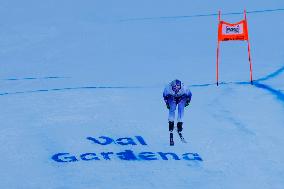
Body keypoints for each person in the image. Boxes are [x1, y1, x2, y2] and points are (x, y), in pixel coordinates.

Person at [163, 79, 192, 145]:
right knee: (172, 108)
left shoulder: (185, 88)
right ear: (171, 86)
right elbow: (165, 96)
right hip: (171, 96)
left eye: (177, 88)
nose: (176, 90)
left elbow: (189, 95)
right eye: (174, 88)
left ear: (180, 86)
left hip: (182, 96)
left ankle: (180, 123)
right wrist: (167, 103)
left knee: (181, 108)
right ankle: (171, 122)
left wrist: (187, 102)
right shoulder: (167, 88)